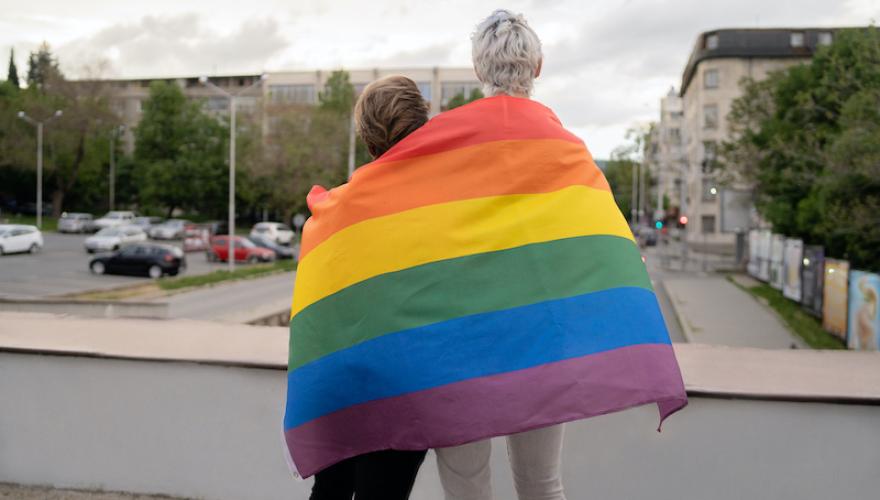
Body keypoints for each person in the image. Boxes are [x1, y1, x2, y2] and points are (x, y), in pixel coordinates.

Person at [433, 9, 566, 500]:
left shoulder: (444, 144)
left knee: (466, 488)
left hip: (462, 338)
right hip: (539, 341)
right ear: (537, 67)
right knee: (542, 484)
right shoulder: (566, 148)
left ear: (476, 69)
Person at [307, 75, 431, 500]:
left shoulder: (335, 208)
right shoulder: (440, 208)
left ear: (366, 135)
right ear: (423, 124)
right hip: (405, 384)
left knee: (332, 489)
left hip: (339, 381)